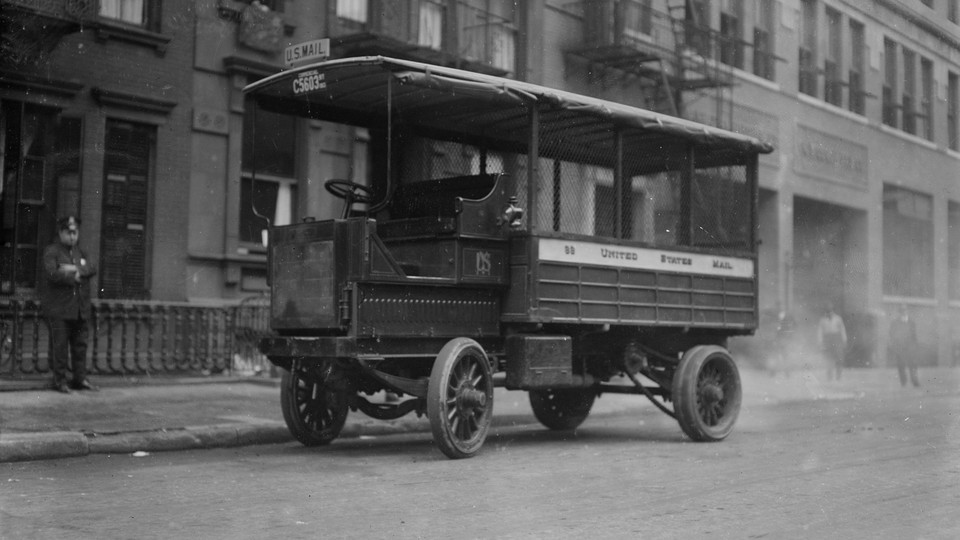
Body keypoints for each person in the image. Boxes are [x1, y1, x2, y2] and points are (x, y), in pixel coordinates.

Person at [41, 216, 98, 393]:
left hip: (80, 309)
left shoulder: (82, 251)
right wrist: (76, 275)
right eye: (69, 232)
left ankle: (80, 379)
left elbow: (93, 267)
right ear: (61, 233)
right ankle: (59, 381)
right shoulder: (52, 251)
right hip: (60, 309)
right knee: (59, 347)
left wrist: (71, 269)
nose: (73, 236)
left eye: (75, 232)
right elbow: (51, 273)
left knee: (80, 347)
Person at [889, 304, 920, 387]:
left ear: (907, 311)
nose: (904, 312)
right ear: (899, 313)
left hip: (910, 347)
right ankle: (903, 382)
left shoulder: (911, 323)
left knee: (913, 365)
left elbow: (914, 336)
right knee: (901, 365)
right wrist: (896, 345)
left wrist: (914, 346)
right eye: (902, 311)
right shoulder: (895, 323)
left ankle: (915, 381)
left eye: (905, 311)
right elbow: (892, 334)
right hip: (900, 348)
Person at [817, 302, 847, 381]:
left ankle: (838, 376)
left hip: (836, 338)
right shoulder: (822, 320)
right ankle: (829, 376)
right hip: (827, 339)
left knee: (839, 357)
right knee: (828, 358)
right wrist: (820, 342)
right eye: (827, 310)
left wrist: (844, 340)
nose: (829, 312)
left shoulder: (838, 319)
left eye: (830, 310)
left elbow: (842, 329)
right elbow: (820, 332)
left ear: (833, 310)